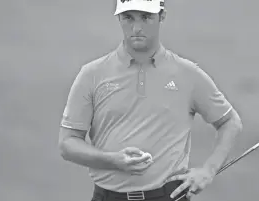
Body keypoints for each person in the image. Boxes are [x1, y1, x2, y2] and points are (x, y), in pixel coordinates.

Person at [58, 0, 243, 200]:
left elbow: (230, 122)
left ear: (161, 16)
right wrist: (113, 160)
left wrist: (208, 171)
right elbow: (68, 143)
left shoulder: (188, 74)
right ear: (119, 18)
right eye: (128, 18)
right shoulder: (91, 74)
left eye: (146, 17)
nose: (137, 28)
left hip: (168, 196)